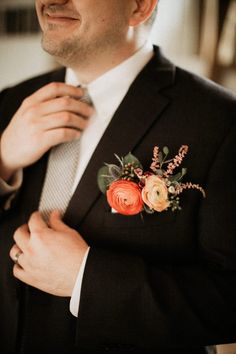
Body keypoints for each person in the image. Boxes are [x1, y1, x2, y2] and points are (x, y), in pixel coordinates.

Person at [0, 0, 236, 353]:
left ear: (140, 6)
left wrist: (85, 279)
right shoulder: (9, 103)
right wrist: (2, 162)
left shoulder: (221, 121)